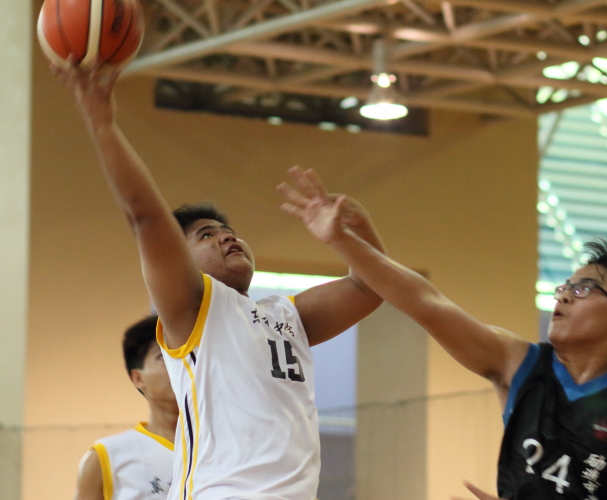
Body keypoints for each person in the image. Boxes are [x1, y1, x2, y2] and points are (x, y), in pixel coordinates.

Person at [55, 61, 384, 500]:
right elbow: (146, 216)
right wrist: (103, 123)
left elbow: (371, 286)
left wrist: (355, 230)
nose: (226, 236)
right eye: (205, 235)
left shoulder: (287, 315)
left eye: (227, 230)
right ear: (179, 259)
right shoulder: (193, 309)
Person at [279, 179, 607, 500]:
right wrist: (345, 240)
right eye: (565, 286)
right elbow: (426, 303)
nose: (566, 295)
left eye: (585, 289)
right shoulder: (519, 362)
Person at [74, 316, 178, 500]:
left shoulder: (227, 444)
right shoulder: (107, 455)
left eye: (185, 353)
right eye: (162, 355)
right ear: (138, 378)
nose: (179, 363)